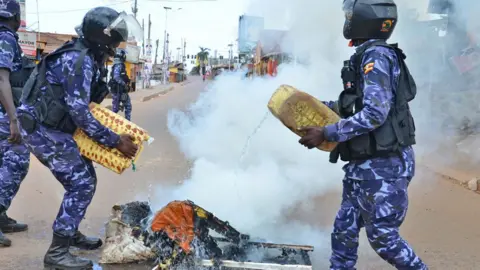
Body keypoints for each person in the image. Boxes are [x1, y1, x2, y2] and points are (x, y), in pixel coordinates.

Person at [298, 1, 428, 269]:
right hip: (364, 168)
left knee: (384, 238)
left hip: (383, 167)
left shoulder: (376, 57)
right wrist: (320, 109)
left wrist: (327, 132)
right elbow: (355, 105)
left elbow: (374, 113)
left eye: (349, 16)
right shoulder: (367, 54)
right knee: (344, 231)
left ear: (364, 20)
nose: (346, 20)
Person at [16, 7, 142, 269]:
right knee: (81, 183)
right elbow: (79, 112)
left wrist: (111, 124)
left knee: (85, 177)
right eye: (115, 41)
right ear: (102, 39)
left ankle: (69, 231)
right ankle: (57, 253)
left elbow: (82, 106)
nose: (116, 47)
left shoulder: (86, 57)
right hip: (41, 128)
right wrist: (114, 140)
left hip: (54, 126)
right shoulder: (79, 60)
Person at [0, 0, 36, 247]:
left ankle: (1, 218)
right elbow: (1, 78)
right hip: (4, 115)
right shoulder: (6, 39)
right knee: (17, 162)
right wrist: (13, 119)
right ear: (16, 18)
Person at [110, 49, 132, 120]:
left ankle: (127, 122)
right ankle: (111, 122)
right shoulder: (118, 65)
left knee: (126, 106)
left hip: (121, 90)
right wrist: (124, 84)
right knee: (116, 108)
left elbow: (122, 76)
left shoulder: (119, 65)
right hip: (118, 90)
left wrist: (127, 81)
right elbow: (116, 77)